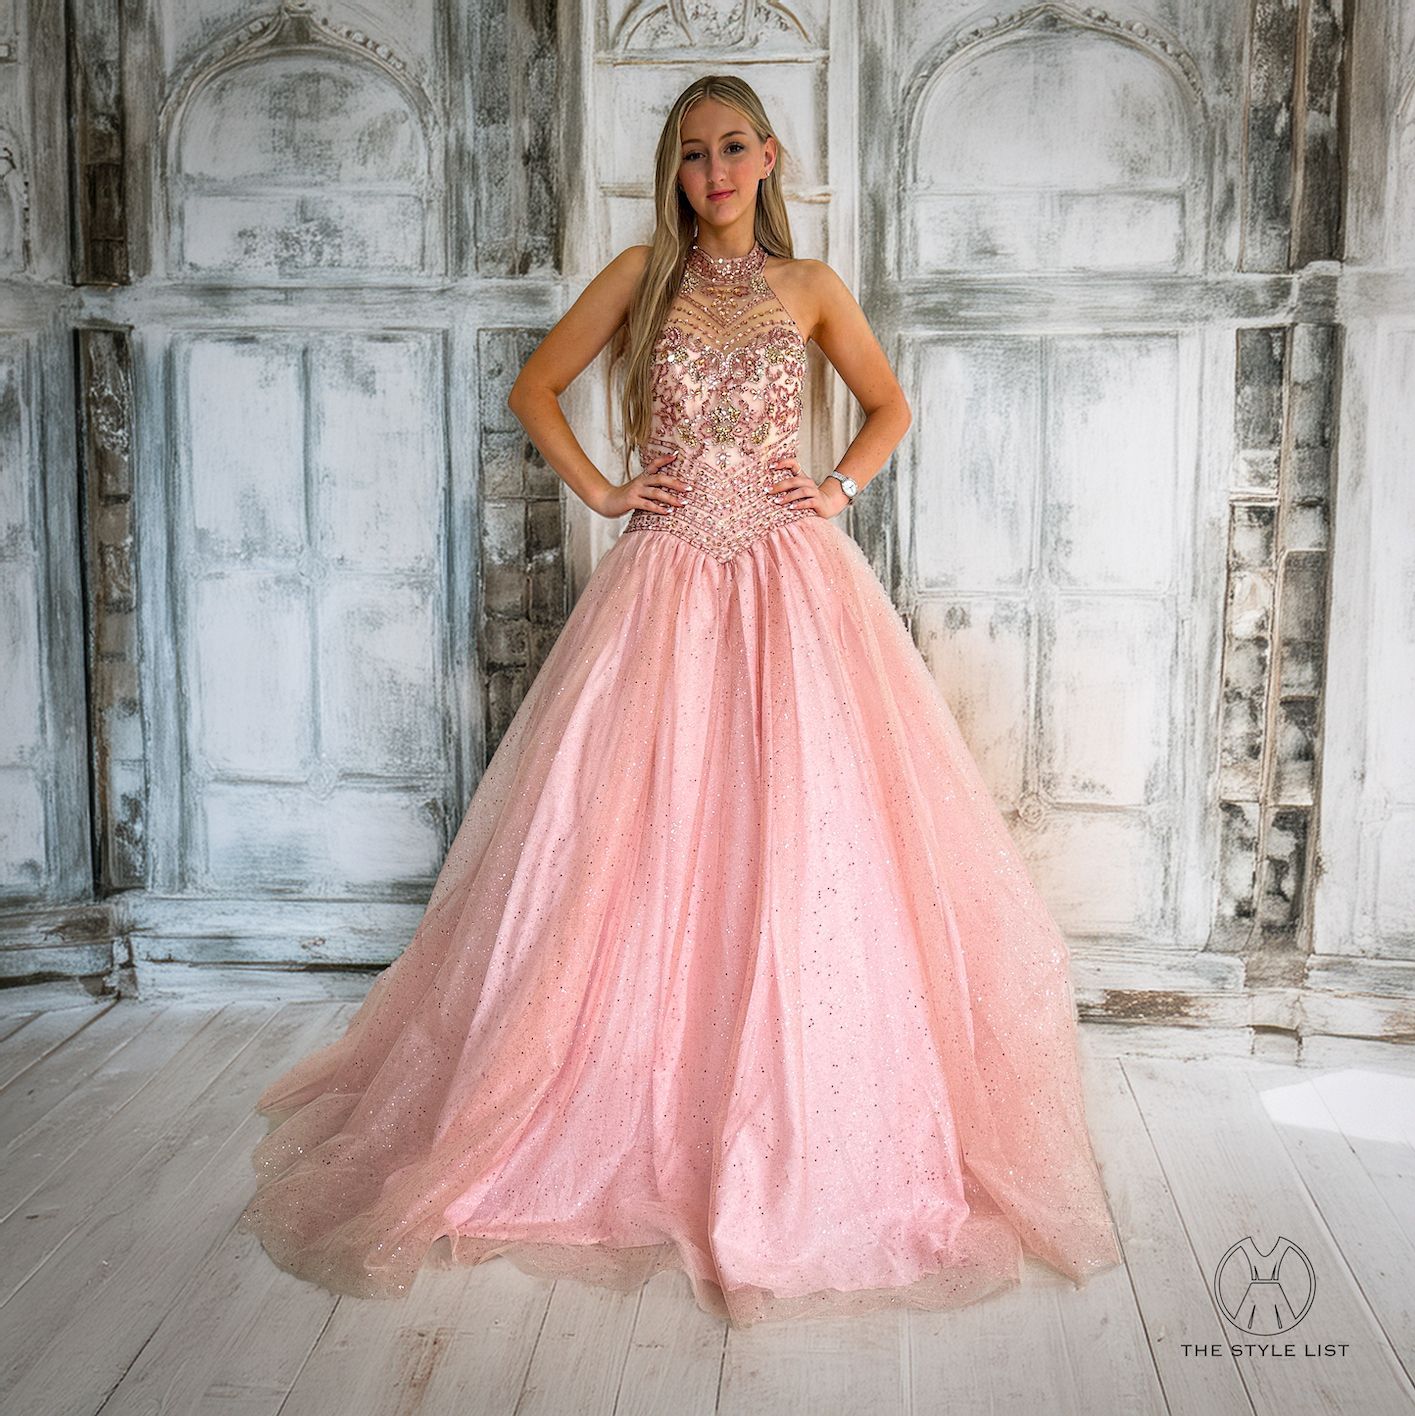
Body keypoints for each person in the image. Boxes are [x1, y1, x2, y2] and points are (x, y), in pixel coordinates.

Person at [237, 73, 1123, 1328]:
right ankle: (603, 1104)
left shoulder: (810, 289)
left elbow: (889, 404)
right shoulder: (640, 272)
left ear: (768, 157)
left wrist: (838, 487)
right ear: (677, 167)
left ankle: (795, 1111)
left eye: (732, 150)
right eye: (692, 153)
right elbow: (535, 388)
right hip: (661, 584)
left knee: (804, 830)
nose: (713, 171)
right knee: (627, 833)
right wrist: (607, 492)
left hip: (789, 579)